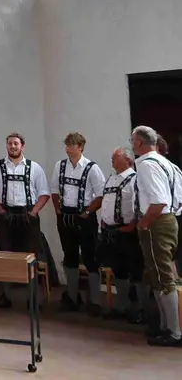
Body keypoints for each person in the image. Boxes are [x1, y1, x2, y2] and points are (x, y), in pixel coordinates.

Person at [0, 132, 50, 308]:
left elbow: (44, 193)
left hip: (28, 216)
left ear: (22, 146)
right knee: (5, 255)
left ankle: (33, 297)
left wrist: (34, 212)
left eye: (16, 144)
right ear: (7, 146)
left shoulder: (34, 167)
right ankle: (5, 295)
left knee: (31, 256)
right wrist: (0, 210)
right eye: (10, 144)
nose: (12, 146)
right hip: (6, 216)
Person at [131, 125, 182, 346]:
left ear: (139, 142)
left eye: (132, 140)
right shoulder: (167, 163)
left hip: (157, 222)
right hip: (169, 220)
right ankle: (164, 325)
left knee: (162, 276)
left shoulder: (147, 166)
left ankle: (174, 331)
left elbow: (159, 201)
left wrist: (143, 223)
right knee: (157, 275)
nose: (131, 144)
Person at [52, 132, 106, 312]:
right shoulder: (60, 166)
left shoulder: (92, 168)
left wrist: (88, 211)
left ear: (80, 146)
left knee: (90, 258)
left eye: (71, 145)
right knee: (70, 257)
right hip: (66, 216)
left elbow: (100, 195)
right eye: (66, 145)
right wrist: (58, 209)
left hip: (85, 218)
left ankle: (95, 301)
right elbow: (54, 190)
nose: (67, 148)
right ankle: (73, 297)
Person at [92, 146, 145, 322]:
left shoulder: (135, 179)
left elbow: (140, 205)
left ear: (127, 160)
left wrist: (133, 226)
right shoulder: (112, 178)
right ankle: (122, 306)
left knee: (135, 270)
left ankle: (139, 309)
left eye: (116, 157)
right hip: (111, 232)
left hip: (127, 232)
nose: (112, 159)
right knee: (118, 270)